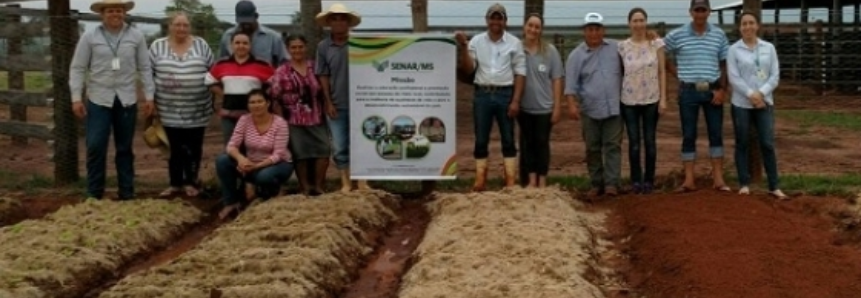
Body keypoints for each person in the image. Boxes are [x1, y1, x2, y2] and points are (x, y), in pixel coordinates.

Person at [69, 0, 155, 200]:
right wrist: (76, 98)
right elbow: (78, 68)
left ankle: (127, 192)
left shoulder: (136, 36)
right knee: (96, 145)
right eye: (110, 11)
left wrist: (149, 96)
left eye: (119, 10)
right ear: (102, 14)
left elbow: (144, 67)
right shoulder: (90, 37)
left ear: (124, 13)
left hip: (126, 99)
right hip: (99, 98)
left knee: (124, 147)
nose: (115, 14)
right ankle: (94, 193)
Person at [455, 3, 526, 191]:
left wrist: (516, 100)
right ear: (487, 20)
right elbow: (469, 68)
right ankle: (480, 180)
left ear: (505, 21)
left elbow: (520, 73)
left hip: (505, 94)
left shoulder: (514, 43)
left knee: (508, 139)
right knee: (480, 138)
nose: (496, 21)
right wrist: (463, 47)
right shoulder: (476, 42)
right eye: (493, 17)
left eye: (499, 18)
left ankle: (510, 179)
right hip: (483, 94)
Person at [663, 0, 731, 193]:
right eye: (697, 10)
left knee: (716, 133)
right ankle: (689, 180)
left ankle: (718, 178)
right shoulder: (677, 35)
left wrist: (722, 89)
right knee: (689, 134)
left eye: (703, 10)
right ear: (690, 12)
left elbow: (725, 63)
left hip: (712, 89)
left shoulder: (719, 35)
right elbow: (661, 52)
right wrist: (675, 73)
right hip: (689, 91)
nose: (700, 13)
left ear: (709, 12)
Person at [150, 12, 215, 198]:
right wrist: (150, 100)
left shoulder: (201, 45)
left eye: (185, 25)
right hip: (168, 109)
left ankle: (191, 182)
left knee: (194, 147)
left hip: (198, 109)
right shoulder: (157, 46)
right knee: (174, 148)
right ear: (170, 26)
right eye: (177, 25)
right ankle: (175, 183)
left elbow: (212, 70)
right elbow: (149, 74)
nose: (181, 29)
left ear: (190, 27)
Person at [727, 11, 787, 199]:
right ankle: (744, 183)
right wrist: (750, 94)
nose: (748, 27)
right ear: (740, 27)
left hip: (765, 103)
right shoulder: (734, 50)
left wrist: (761, 93)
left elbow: (775, 75)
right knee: (742, 141)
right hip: (741, 103)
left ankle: (774, 185)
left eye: (751, 23)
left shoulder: (768, 48)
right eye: (744, 24)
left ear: (757, 25)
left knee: (767, 143)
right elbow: (733, 77)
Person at [564, 12, 623, 198]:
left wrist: (651, 36)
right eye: (590, 29)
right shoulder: (576, 56)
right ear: (584, 31)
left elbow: (637, 46)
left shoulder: (617, 48)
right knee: (593, 147)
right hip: (590, 109)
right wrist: (572, 105)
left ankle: (612, 184)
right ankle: (596, 183)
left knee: (613, 146)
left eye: (597, 29)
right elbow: (570, 84)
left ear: (603, 30)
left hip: (614, 107)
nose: (594, 33)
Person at [315, 3, 372, 192]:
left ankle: (362, 180)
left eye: (342, 18)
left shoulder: (360, 44)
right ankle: (345, 181)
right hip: (337, 104)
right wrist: (328, 101)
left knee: (363, 142)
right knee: (339, 145)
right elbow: (323, 74)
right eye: (335, 18)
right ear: (329, 22)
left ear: (348, 23)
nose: (339, 22)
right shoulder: (323, 47)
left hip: (362, 103)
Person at [268, 34, 332, 196]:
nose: (297, 50)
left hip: (316, 116)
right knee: (300, 154)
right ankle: (304, 187)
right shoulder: (282, 71)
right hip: (293, 119)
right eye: (293, 47)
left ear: (306, 47)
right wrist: (281, 121)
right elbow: (275, 98)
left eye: (300, 47)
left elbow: (324, 89)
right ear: (288, 49)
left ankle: (318, 186)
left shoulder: (315, 67)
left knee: (323, 150)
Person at [215, 89, 293, 220]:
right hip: (250, 163)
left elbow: (278, 154)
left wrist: (255, 167)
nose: (256, 105)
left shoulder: (280, 123)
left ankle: (272, 194)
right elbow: (232, 145)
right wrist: (241, 159)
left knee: (264, 176)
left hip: (278, 164)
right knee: (222, 161)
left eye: (260, 101)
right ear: (248, 105)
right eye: (252, 102)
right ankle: (231, 202)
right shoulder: (244, 120)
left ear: (267, 103)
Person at [618, 8, 667, 194]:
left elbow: (662, 71)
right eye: (635, 21)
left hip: (651, 99)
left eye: (641, 20)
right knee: (634, 142)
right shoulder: (622, 47)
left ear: (646, 22)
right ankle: (636, 180)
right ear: (629, 24)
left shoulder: (656, 44)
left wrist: (663, 99)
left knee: (650, 141)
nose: (638, 24)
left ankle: (649, 180)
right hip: (629, 101)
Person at [518, 13, 563, 188]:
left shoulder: (550, 51)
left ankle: (542, 180)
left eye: (537, 27)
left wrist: (557, 106)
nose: (533, 30)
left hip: (544, 108)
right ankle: (531, 180)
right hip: (524, 107)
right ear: (524, 27)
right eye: (530, 25)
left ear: (541, 30)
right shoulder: (516, 49)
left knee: (542, 143)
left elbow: (557, 79)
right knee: (528, 143)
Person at [206, 31, 276, 145]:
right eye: (237, 43)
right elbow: (209, 81)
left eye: (245, 43)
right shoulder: (221, 64)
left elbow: (275, 83)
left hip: (255, 115)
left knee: (254, 146)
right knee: (231, 146)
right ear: (231, 45)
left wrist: (262, 98)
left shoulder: (262, 64)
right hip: (229, 115)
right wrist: (223, 94)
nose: (241, 46)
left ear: (250, 45)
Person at [218, 0, 288, 66]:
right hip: (235, 77)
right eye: (243, 22)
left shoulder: (273, 37)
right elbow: (221, 62)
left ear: (256, 16)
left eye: (248, 21)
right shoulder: (228, 36)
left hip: (265, 77)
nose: (246, 25)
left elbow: (285, 62)